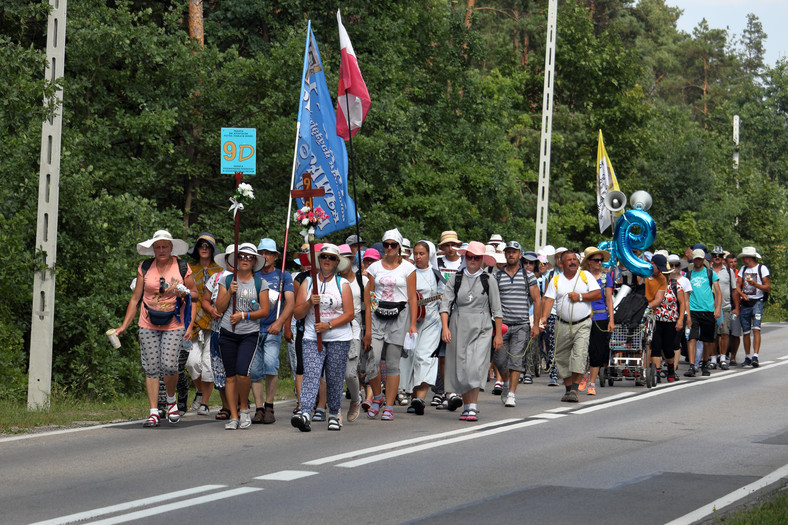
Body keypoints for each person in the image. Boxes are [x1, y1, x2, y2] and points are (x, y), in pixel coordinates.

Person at [115, 230, 199, 428]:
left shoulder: (181, 267)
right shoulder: (145, 267)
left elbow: (195, 295)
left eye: (165, 246)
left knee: (170, 365)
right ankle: (153, 412)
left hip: (174, 322)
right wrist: (124, 326)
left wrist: (184, 291)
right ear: (153, 249)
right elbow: (136, 298)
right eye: (158, 247)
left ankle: (171, 400)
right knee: (151, 367)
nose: (161, 250)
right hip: (148, 322)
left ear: (171, 248)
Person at [291, 244, 355, 432]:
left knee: (334, 377)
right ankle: (305, 412)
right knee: (311, 373)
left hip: (338, 338)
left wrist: (328, 325)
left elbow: (349, 313)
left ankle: (334, 413)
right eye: (324, 257)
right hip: (312, 337)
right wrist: (310, 301)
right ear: (319, 260)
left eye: (332, 258)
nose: (327, 260)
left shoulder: (342, 284)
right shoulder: (308, 283)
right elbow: (297, 313)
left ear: (337, 262)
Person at [439, 241, 502, 421]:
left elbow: (497, 310)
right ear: (465, 257)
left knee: (474, 366)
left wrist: (498, 334)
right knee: (462, 367)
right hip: (458, 324)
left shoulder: (489, 280)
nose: (473, 260)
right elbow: (445, 305)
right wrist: (445, 327)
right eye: (470, 256)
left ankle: (473, 406)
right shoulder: (455, 279)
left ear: (482, 259)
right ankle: (467, 406)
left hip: (482, 325)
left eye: (477, 257)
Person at [363, 229, 418, 421]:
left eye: (393, 245)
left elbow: (412, 298)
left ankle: (388, 405)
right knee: (372, 361)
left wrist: (412, 325)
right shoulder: (374, 268)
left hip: (399, 317)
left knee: (393, 363)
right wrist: (368, 329)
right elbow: (368, 298)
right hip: (378, 316)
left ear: (399, 247)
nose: (389, 248)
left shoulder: (408, 269)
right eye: (386, 244)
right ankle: (377, 396)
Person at [214, 243, 270, 430]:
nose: (245, 260)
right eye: (241, 257)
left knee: (242, 373)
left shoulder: (260, 283)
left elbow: (264, 311)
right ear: (235, 260)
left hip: (249, 334)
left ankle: (244, 408)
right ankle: (234, 415)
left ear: (254, 261)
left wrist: (244, 315)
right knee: (230, 376)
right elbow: (219, 308)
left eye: (249, 257)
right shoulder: (227, 280)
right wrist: (230, 292)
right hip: (227, 332)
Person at [539, 250, 601, 402]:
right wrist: (543, 318)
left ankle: (574, 389)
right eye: (569, 260)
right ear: (561, 262)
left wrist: (580, 297)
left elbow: (597, 294)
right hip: (562, 324)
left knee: (579, 355)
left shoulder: (586, 277)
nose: (573, 262)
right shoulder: (556, 279)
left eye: (575, 259)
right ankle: (568, 390)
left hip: (583, 323)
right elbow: (548, 299)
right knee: (562, 358)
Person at [248, 238, 294, 425]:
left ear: (275, 256)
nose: (265, 256)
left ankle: (270, 406)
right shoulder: (251, 274)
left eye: (268, 253)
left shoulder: (283, 276)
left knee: (270, 364)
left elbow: (290, 303)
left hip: (272, 329)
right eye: (262, 253)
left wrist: (280, 323)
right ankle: (259, 409)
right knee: (255, 370)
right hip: (251, 328)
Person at [492, 241, 541, 407]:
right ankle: (506, 383)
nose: (511, 255)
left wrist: (536, 325)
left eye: (514, 252)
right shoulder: (497, 276)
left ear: (520, 254)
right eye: (508, 252)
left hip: (521, 324)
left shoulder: (528, 276)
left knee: (516, 359)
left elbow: (536, 299)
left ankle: (512, 393)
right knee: (499, 360)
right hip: (502, 325)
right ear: (505, 254)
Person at [401, 240, 444, 415]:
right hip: (410, 321)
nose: (418, 257)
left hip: (432, 323)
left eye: (422, 254)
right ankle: (413, 398)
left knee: (424, 357)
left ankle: (420, 397)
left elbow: (445, 298)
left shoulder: (436, 275)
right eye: (415, 254)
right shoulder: (407, 272)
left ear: (429, 255)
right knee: (409, 358)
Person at [185, 233, 223, 415]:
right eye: (201, 245)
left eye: (208, 245)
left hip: (215, 319)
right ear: (197, 248)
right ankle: (200, 390)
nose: (204, 248)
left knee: (209, 363)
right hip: (191, 319)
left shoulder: (221, 270)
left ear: (213, 249)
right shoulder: (188, 269)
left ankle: (205, 402)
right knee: (191, 362)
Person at [579, 246, 614, 395]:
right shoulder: (581, 277)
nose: (599, 263)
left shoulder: (606, 278)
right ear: (588, 262)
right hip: (583, 316)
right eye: (596, 260)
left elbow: (609, 300)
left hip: (600, 318)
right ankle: (583, 375)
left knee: (596, 350)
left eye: (601, 260)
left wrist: (611, 319)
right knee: (581, 349)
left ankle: (592, 381)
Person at [338, 243, 367, 422]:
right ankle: (335, 410)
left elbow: (368, 309)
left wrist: (368, 332)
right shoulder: (332, 280)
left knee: (350, 373)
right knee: (332, 373)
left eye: (347, 258)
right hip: (335, 327)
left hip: (355, 327)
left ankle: (355, 399)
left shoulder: (361, 281)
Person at [685, 248, 721, 377]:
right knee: (692, 338)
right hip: (694, 310)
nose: (698, 261)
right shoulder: (688, 275)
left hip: (708, 310)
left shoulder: (710, 273)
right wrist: (687, 314)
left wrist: (717, 308)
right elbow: (686, 295)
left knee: (707, 340)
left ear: (703, 260)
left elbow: (718, 292)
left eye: (700, 259)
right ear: (693, 259)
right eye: (696, 259)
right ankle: (691, 366)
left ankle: (705, 364)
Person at [649, 254, 684, 382]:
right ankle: (656, 373)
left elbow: (682, 304)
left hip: (670, 321)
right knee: (656, 346)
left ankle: (670, 368)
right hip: (655, 319)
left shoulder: (675, 285)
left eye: (667, 273)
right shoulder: (654, 284)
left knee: (668, 348)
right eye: (663, 273)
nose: (665, 275)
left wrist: (680, 320)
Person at [736, 246, 770, 367]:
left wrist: (754, 284)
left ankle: (755, 355)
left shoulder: (762, 268)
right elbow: (738, 286)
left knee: (756, 329)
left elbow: (767, 287)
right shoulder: (743, 269)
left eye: (744, 257)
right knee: (746, 331)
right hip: (746, 303)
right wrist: (742, 295)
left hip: (757, 302)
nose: (743, 259)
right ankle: (747, 356)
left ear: (749, 258)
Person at [710, 246, 739, 370]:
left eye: (720, 256)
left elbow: (734, 290)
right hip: (710, 307)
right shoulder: (707, 270)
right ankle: (712, 358)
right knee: (712, 334)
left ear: (723, 258)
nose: (717, 258)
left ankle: (722, 358)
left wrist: (736, 307)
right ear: (712, 257)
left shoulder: (728, 271)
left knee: (725, 333)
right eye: (715, 255)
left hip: (725, 306)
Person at [725, 253, 742, 363]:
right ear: (726, 263)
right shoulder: (723, 273)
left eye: (735, 261)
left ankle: (733, 356)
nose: (733, 264)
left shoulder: (740, 274)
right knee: (723, 333)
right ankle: (723, 354)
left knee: (735, 333)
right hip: (726, 304)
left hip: (737, 307)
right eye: (731, 262)